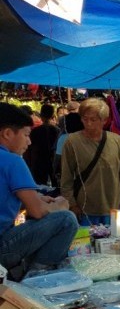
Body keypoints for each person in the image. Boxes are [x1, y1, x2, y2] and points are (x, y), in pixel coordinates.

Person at [0, 103, 78, 275]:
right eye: (26, 135)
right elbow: (38, 212)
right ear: (7, 133)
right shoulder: (12, 161)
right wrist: (60, 205)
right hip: (2, 248)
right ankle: (37, 275)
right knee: (66, 219)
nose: (29, 141)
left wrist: (36, 199)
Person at [60, 98, 120, 225]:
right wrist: (72, 204)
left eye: (93, 119)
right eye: (85, 119)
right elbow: (66, 178)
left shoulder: (117, 140)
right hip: (85, 210)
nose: (88, 123)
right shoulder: (72, 142)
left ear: (104, 120)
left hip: (113, 208)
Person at [25, 104, 60, 186]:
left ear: (41, 115)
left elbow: (30, 148)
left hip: (38, 161)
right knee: (56, 186)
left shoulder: (35, 131)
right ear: (52, 115)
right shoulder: (57, 130)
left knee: (40, 186)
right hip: (53, 160)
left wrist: (29, 163)